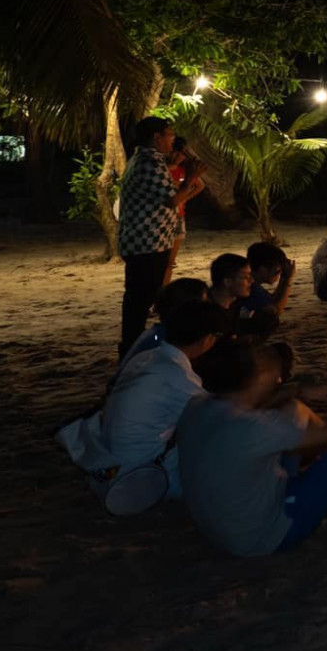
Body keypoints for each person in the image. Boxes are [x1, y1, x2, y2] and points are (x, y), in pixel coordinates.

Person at [177, 341, 327, 556]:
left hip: (222, 524)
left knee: (295, 409)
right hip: (264, 535)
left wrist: (297, 390)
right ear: (256, 381)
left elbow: (255, 408)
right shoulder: (252, 428)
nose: (276, 380)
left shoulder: (198, 406)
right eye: (272, 375)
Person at [58, 299, 224, 512]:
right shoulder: (176, 375)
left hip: (111, 465)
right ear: (207, 339)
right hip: (139, 475)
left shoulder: (147, 357)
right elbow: (218, 415)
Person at [117, 115, 202, 357]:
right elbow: (172, 199)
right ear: (156, 137)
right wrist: (192, 175)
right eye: (169, 134)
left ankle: (135, 348)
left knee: (141, 300)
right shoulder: (150, 163)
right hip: (147, 242)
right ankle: (132, 351)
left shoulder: (147, 160)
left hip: (146, 241)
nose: (173, 139)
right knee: (140, 302)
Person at [208, 253, 280, 340]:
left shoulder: (235, 304)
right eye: (245, 277)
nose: (251, 280)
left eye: (250, 275)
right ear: (227, 282)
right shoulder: (208, 313)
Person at [164, 135, 199, 286]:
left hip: (178, 216)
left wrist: (185, 198)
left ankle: (164, 289)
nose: (179, 157)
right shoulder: (161, 170)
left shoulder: (182, 171)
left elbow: (200, 185)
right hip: (163, 217)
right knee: (160, 259)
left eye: (182, 155)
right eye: (176, 153)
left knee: (170, 261)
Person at [241, 242, 295, 321]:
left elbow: (271, 300)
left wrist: (284, 278)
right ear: (263, 268)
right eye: (278, 268)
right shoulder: (249, 288)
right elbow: (275, 311)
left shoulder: (250, 283)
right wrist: (288, 279)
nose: (280, 272)